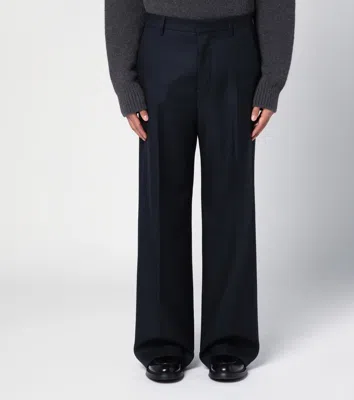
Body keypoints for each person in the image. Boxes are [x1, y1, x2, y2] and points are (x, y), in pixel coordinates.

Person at [105, 0, 295, 383]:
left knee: (231, 200)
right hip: (161, 47)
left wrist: (272, 79)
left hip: (234, 48)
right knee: (162, 199)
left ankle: (230, 340)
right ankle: (162, 340)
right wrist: (124, 83)